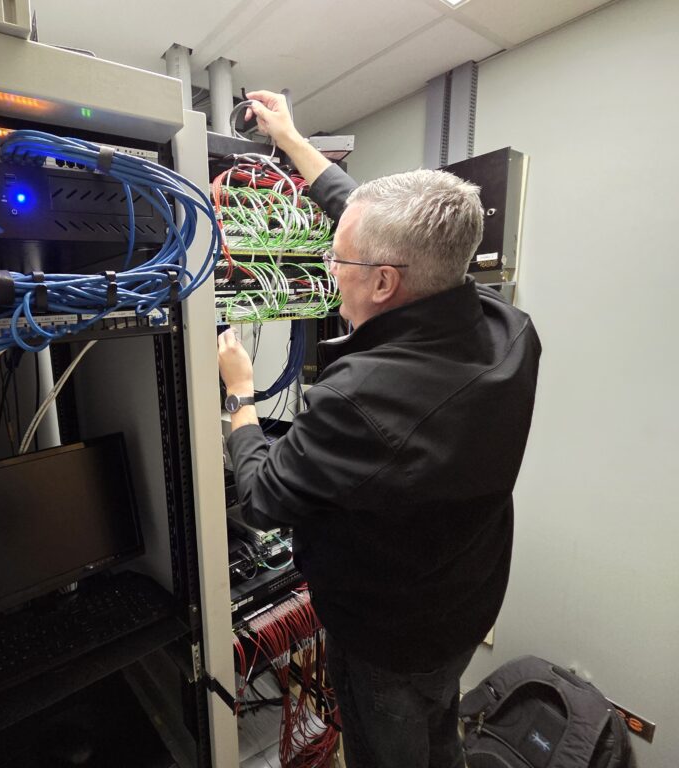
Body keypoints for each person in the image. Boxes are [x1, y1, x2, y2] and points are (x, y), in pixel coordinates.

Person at [217, 91, 542, 768]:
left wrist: (241, 396)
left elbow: (261, 498)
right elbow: (376, 221)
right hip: (463, 601)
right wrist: (293, 140)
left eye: (339, 259)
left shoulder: (360, 399)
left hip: (388, 639)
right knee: (436, 732)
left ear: (386, 282)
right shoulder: (505, 326)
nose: (331, 269)